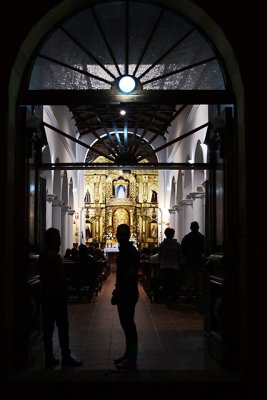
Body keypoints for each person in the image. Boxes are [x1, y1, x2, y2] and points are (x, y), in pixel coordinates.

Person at [38, 227, 83, 368]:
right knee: (62, 327)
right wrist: (65, 289)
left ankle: (49, 357)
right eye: (57, 239)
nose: (59, 241)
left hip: (47, 295)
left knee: (48, 327)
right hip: (56, 296)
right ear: (51, 241)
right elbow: (60, 276)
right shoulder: (53, 257)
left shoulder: (43, 255)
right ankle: (65, 357)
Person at [111, 224, 140, 370]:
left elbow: (130, 273)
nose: (120, 236)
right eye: (118, 233)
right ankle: (128, 354)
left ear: (128, 235)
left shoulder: (130, 251)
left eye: (123, 233)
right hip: (124, 291)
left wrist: (119, 289)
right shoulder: (124, 250)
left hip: (128, 292)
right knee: (126, 324)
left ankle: (132, 357)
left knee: (129, 325)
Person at [181, 221, 205, 306]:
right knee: (199, 283)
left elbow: (182, 251)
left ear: (190, 228)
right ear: (198, 227)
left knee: (189, 282)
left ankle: (189, 298)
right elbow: (205, 250)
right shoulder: (202, 238)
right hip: (198, 263)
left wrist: (185, 259)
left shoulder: (186, 238)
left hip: (189, 263)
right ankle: (199, 298)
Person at [158, 227, 183, 301]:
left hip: (164, 266)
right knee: (173, 283)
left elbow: (160, 255)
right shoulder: (177, 245)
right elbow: (180, 256)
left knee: (165, 282)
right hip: (174, 266)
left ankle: (165, 297)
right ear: (173, 234)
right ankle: (173, 297)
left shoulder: (163, 244)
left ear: (165, 234)